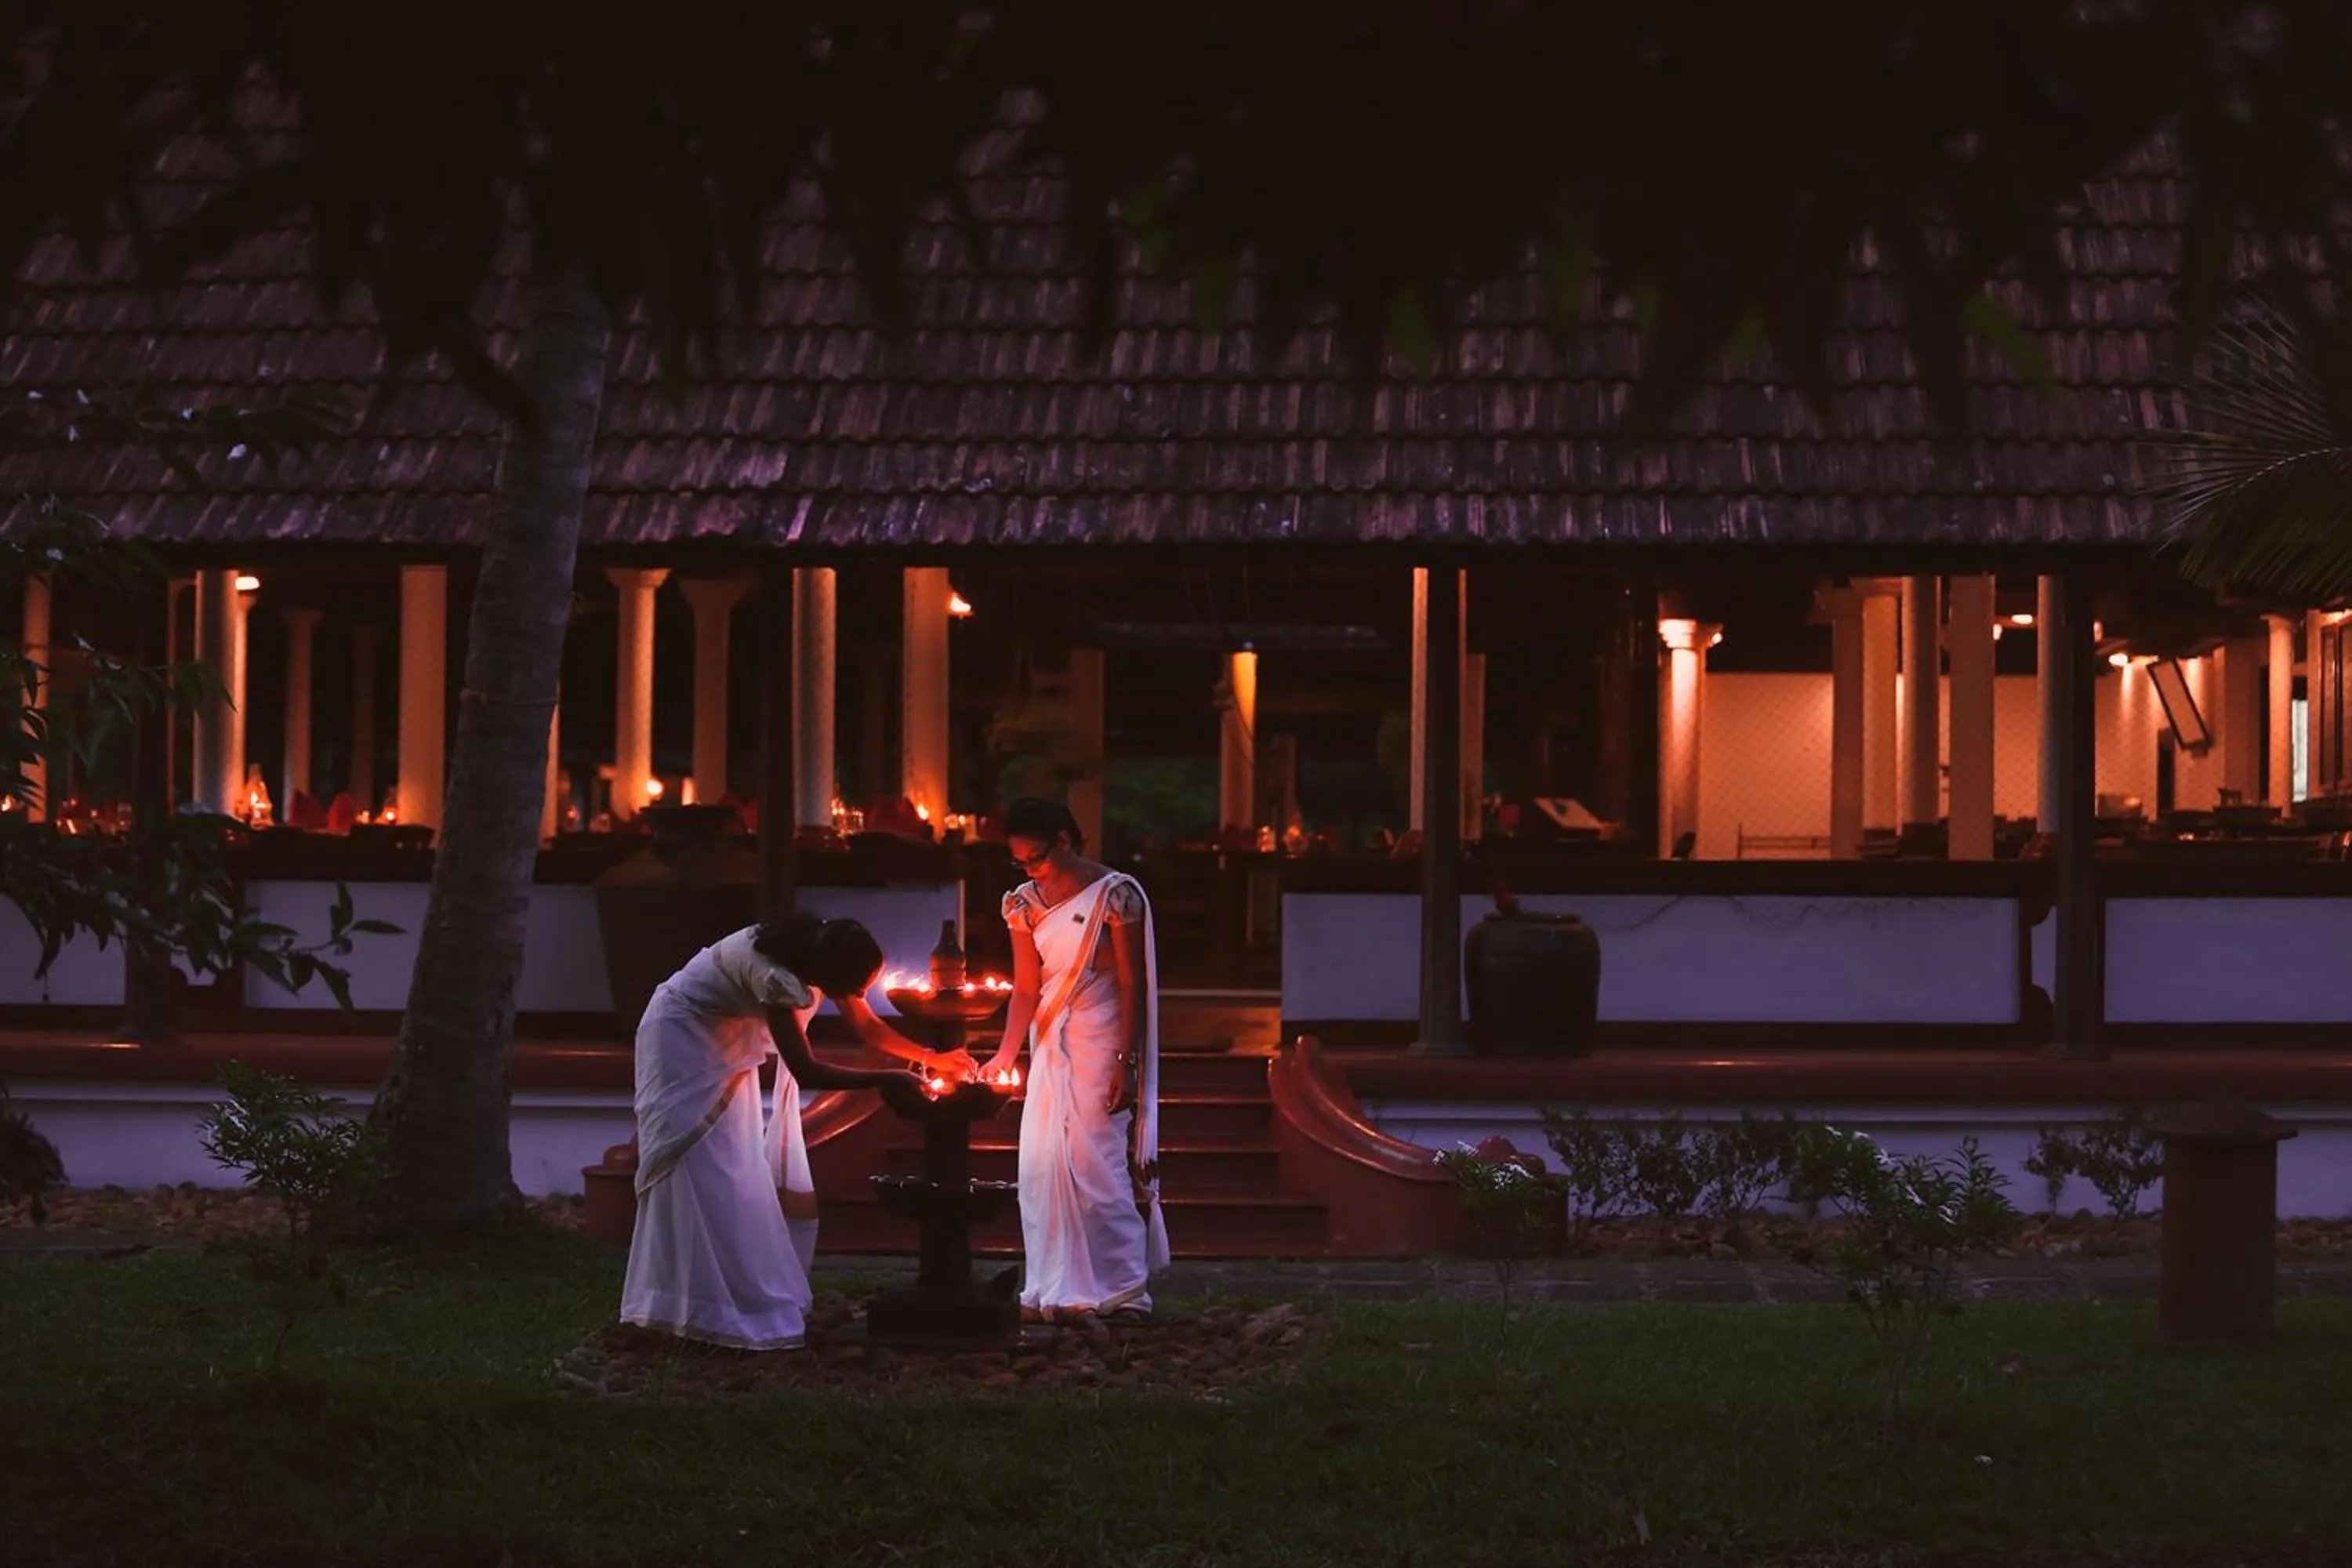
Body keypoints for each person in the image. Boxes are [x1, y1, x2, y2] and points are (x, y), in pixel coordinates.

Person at [619, 912, 960, 1351]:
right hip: (681, 1040)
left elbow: (866, 1027)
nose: (859, 996)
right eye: (854, 988)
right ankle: (688, 1305)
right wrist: (887, 1079)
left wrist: (931, 1058)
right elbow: (805, 1068)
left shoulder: (819, 947)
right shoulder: (777, 978)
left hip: (728, 1041)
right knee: (694, 1166)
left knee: (734, 1169)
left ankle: (734, 1293)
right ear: (828, 974)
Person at [978, 797, 1169, 1323]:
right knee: (1044, 1163)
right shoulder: (1023, 902)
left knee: (1097, 1162)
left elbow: (1133, 983)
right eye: (1020, 863)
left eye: (1036, 857)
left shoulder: (1115, 895)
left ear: (1064, 840)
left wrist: (1127, 1062)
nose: (1031, 870)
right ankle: (1059, 1286)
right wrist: (1004, 1055)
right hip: (1050, 1038)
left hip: (1101, 1031)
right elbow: (1024, 989)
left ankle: (1124, 1288)